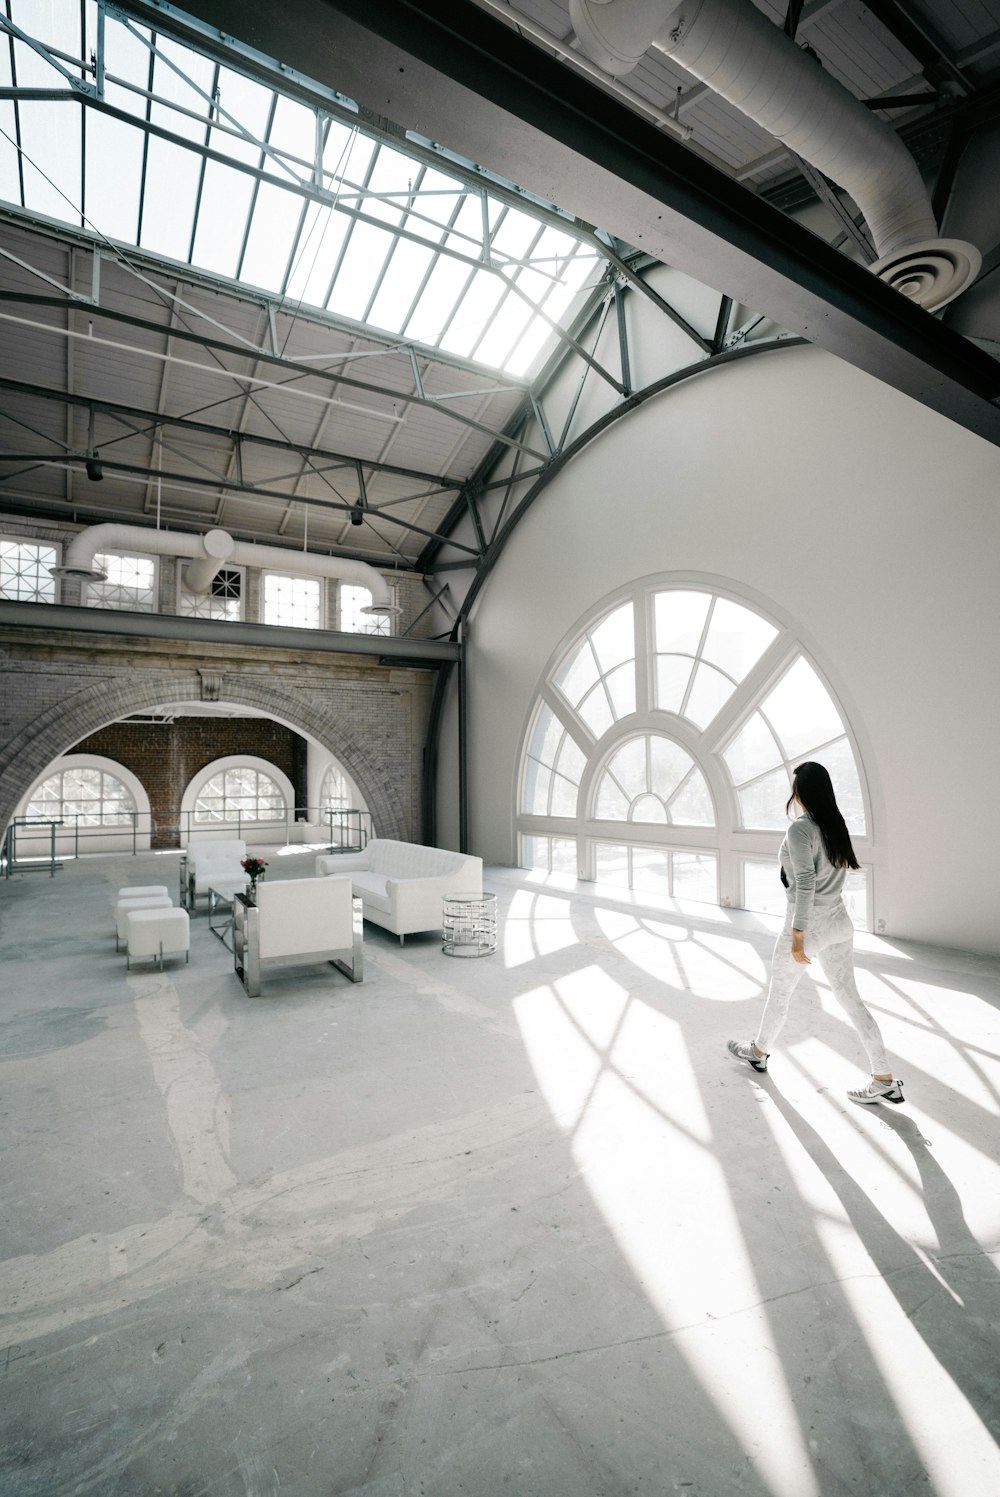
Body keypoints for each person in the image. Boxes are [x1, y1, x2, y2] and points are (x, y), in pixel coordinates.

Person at [727, 761, 903, 1104]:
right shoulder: (836, 825)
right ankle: (884, 1078)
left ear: (802, 794)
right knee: (851, 1000)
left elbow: (805, 882)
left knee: (780, 993)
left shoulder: (800, 829)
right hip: (840, 921)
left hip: (809, 924)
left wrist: (798, 933)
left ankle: (759, 1052)